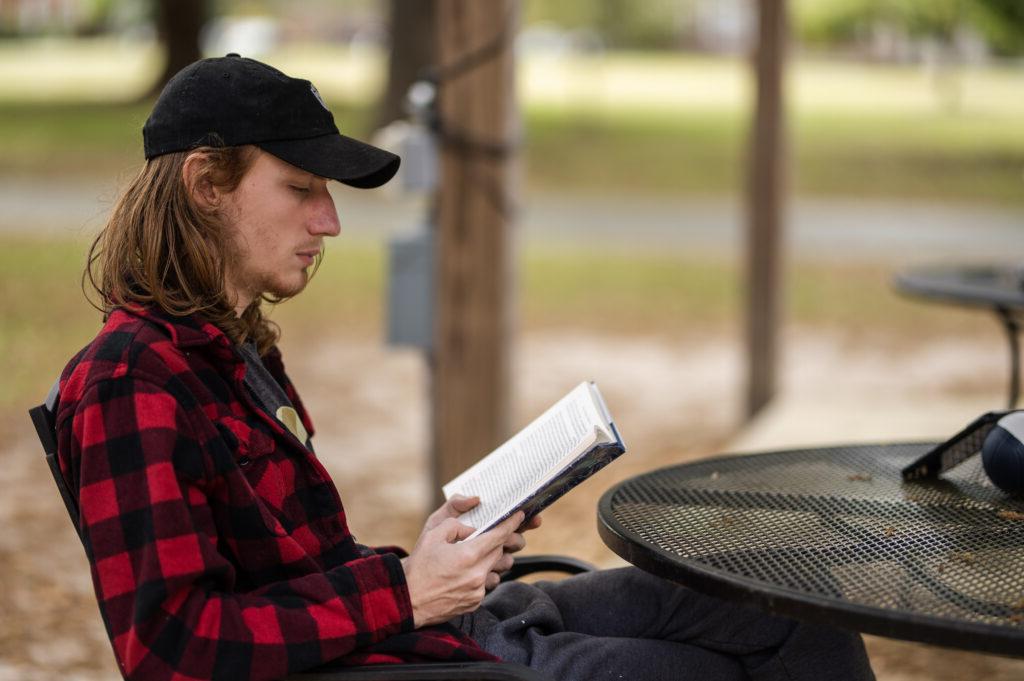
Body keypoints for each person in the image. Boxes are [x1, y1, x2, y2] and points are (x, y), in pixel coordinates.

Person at [56, 54, 875, 681]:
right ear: (206, 182)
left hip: (415, 626)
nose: (330, 220)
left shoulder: (235, 350)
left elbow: (298, 567)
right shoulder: (132, 380)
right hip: (389, 657)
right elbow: (168, 649)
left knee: (782, 598)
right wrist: (408, 591)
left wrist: (430, 557)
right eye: (301, 187)